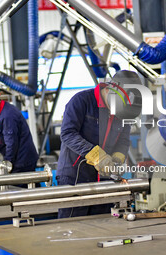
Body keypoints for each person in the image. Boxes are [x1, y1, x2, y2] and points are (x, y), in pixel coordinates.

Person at [56, 70, 142, 218]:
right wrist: (96, 155)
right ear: (110, 89)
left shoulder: (124, 111)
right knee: (71, 227)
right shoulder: (81, 101)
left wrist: (117, 157)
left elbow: (124, 139)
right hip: (75, 175)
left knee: (101, 225)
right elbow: (67, 134)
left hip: (104, 178)